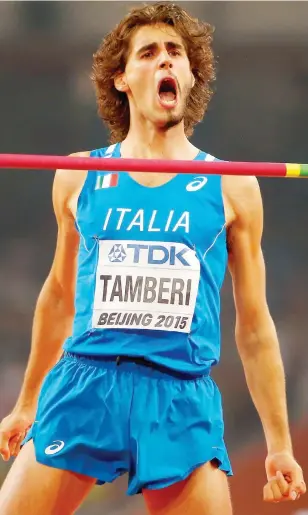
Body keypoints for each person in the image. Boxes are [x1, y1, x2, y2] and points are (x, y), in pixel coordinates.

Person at [0, 2, 305, 514]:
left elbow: (254, 326)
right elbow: (57, 296)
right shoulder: (78, 175)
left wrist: (279, 445)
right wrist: (26, 404)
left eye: (176, 53)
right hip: (86, 383)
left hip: (178, 396)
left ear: (190, 75)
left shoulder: (233, 185)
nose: (166, 61)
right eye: (149, 52)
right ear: (122, 78)